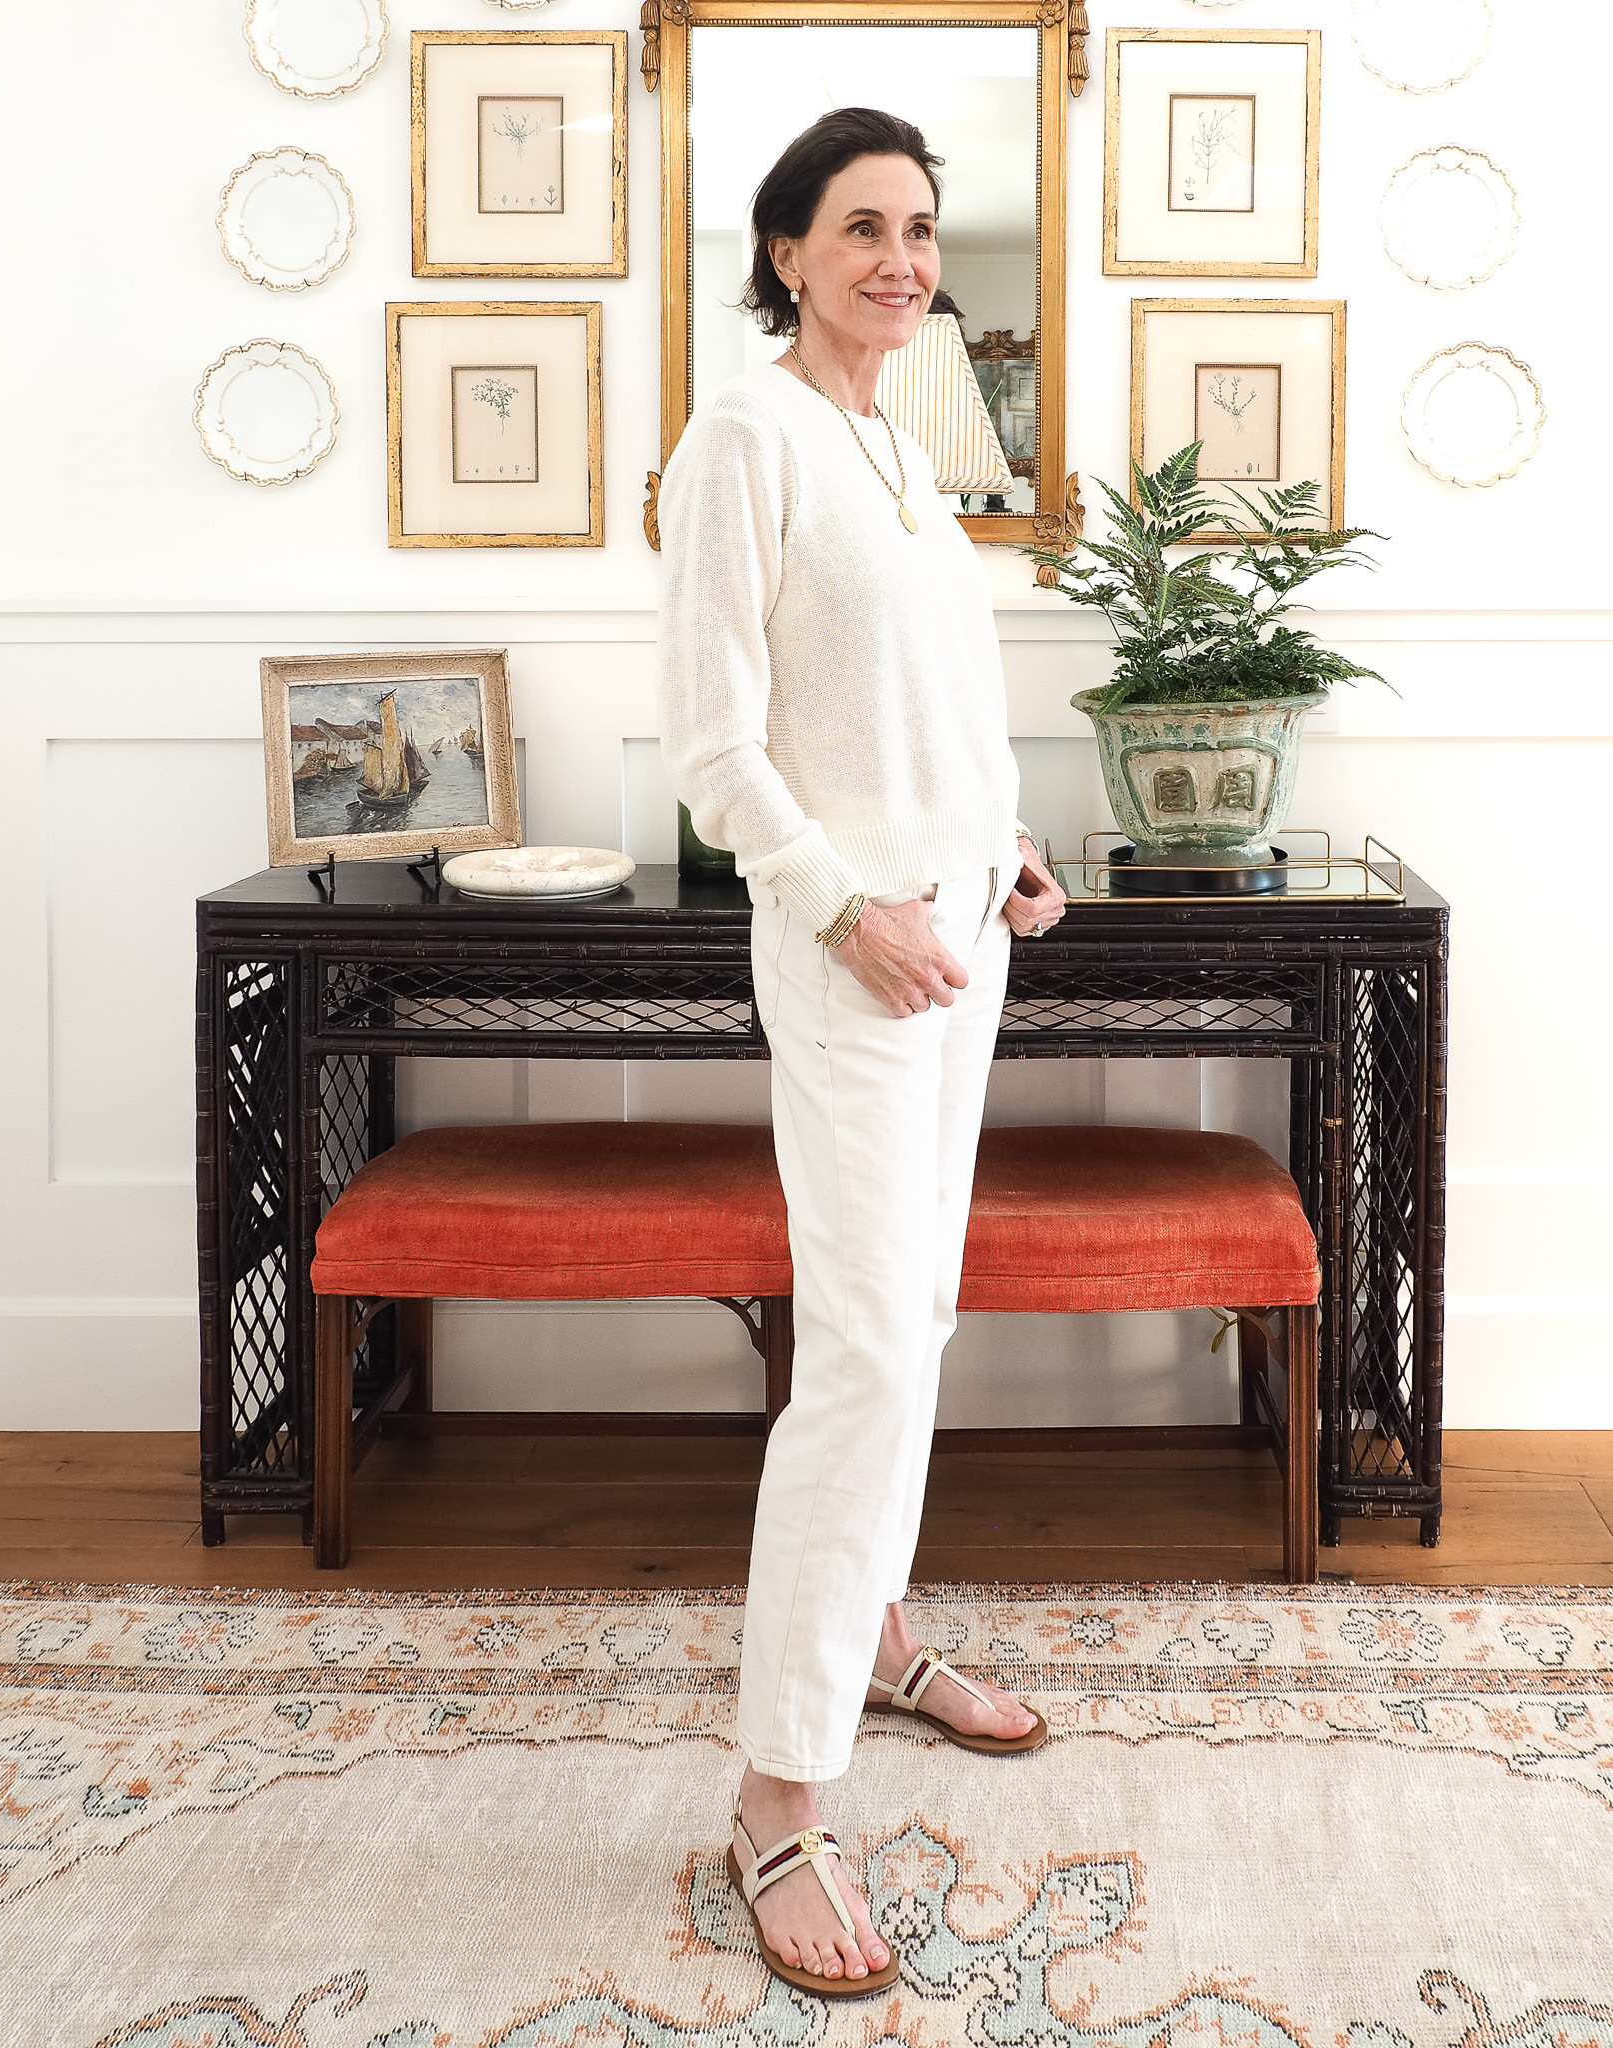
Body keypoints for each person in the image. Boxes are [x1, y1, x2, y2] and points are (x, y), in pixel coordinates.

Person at [657, 106, 1068, 1998]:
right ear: (787, 250)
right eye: (860, 229)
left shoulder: (901, 438)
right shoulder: (745, 434)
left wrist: (1003, 851)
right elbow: (718, 749)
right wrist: (855, 908)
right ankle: (772, 1803)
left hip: (958, 935)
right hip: (854, 958)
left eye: (917, 230)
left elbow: (931, 707)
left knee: (929, 1310)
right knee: (866, 1348)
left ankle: (880, 1632)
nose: (900, 261)